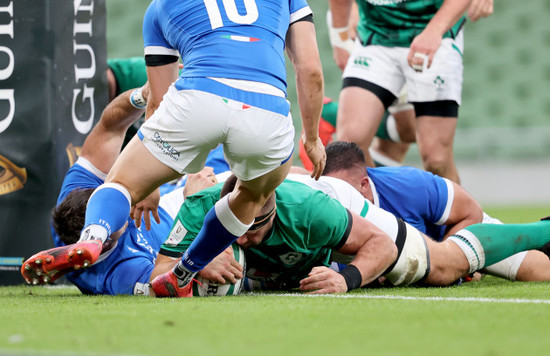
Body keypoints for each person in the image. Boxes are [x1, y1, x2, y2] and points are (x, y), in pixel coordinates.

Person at [43, 0, 326, 295]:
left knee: (121, 184)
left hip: (198, 98)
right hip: (266, 108)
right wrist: (312, 137)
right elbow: (310, 70)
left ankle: (94, 235)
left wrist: (148, 185)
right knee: (251, 197)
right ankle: (187, 268)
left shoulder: (159, 7)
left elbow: (158, 100)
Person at [150, 172, 550, 296]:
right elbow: (159, 274)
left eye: (252, 233)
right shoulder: (198, 208)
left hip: (340, 213)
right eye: (231, 231)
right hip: (302, 250)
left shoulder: (311, 210)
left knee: (442, 266)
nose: (240, 241)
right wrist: (194, 263)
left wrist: (347, 278)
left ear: (271, 215)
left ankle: (542, 228)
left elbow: (376, 243)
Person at [20, 84, 236, 294]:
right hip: (181, 224)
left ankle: (94, 232)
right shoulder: (119, 273)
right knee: (246, 181)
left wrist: (140, 95)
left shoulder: (77, 192)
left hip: (171, 193)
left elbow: (110, 126)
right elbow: (162, 283)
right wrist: (201, 254)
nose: (125, 210)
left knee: (233, 153)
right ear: (106, 243)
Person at [319, 141, 550, 282]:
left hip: (458, 237)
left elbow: (471, 211)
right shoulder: (325, 206)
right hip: (420, 260)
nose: (340, 200)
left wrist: (455, 262)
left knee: (536, 271)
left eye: (344, 190)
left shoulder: (409, 185)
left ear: (364, 183)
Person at [327, 0, 493, 183]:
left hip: (435, 34)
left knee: (436, 159)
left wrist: (434, 31)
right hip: (375, 38)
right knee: (351, 144)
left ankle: (464, 212)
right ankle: (380, 210)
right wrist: (339, 38)